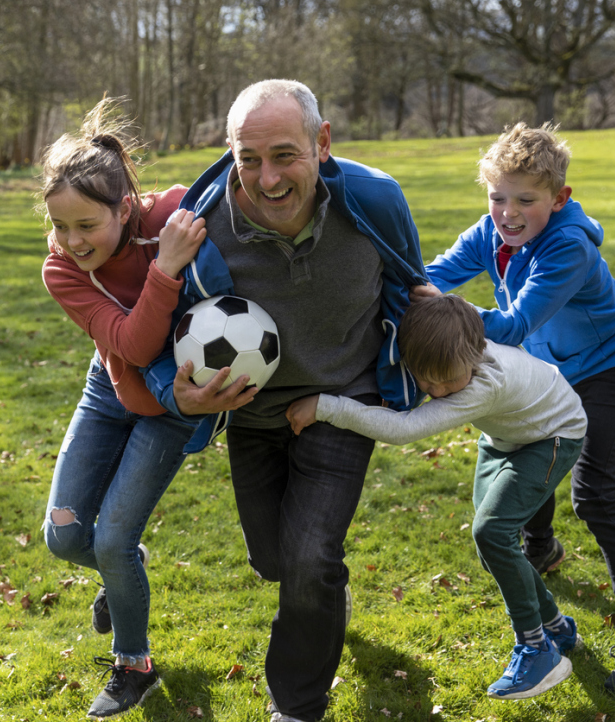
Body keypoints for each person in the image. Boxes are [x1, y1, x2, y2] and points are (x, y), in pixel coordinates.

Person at [143, 79, 429, 722]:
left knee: (309, 557)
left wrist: (439, 339)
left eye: (283, 155)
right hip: (253, 413)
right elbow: (156, 330)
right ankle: (325, 594)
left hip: (342, 402)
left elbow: (413, 286)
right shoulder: (200, 227)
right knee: (278, 561)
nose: (265, 178)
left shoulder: (375, 201)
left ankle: (296, 705)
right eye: (248, 158)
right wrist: (179, 389)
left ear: (322, 143)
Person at [411, 122, 615, 694]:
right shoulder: (490, 232)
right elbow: (430, 278)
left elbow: (511, 325)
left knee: (595, 495)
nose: (507, 213)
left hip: (613, 367)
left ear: (558, 199)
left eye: (525, 200)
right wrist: (404, 297)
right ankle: (541, 548)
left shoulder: (568, 246)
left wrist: (445, 308)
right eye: (496, 197)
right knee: (525, 448)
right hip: (551, 369)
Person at [287, 294, 587, 700]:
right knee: (492, 547)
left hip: (554, 434)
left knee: (492, 534)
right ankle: (556, 627)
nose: (438, 390)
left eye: (448, 380)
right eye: (427, 380)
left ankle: (536, 649)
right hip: (505, 436)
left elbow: (403, 430)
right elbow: (444, 316)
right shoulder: (458, 343)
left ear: (476, 353)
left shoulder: (485, 384)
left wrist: (327, 406)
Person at [38, 99, 214, 719]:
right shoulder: (61, 270)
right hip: (112, 385)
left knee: (110, 537)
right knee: (63, 536)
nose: (72, 241)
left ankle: (133, 665)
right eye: (61, 225)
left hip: (172, 405)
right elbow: (133, 345)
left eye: (87, 224)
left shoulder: (166, 216)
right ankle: (125, 570)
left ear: (124, 207)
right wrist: (165, 271)